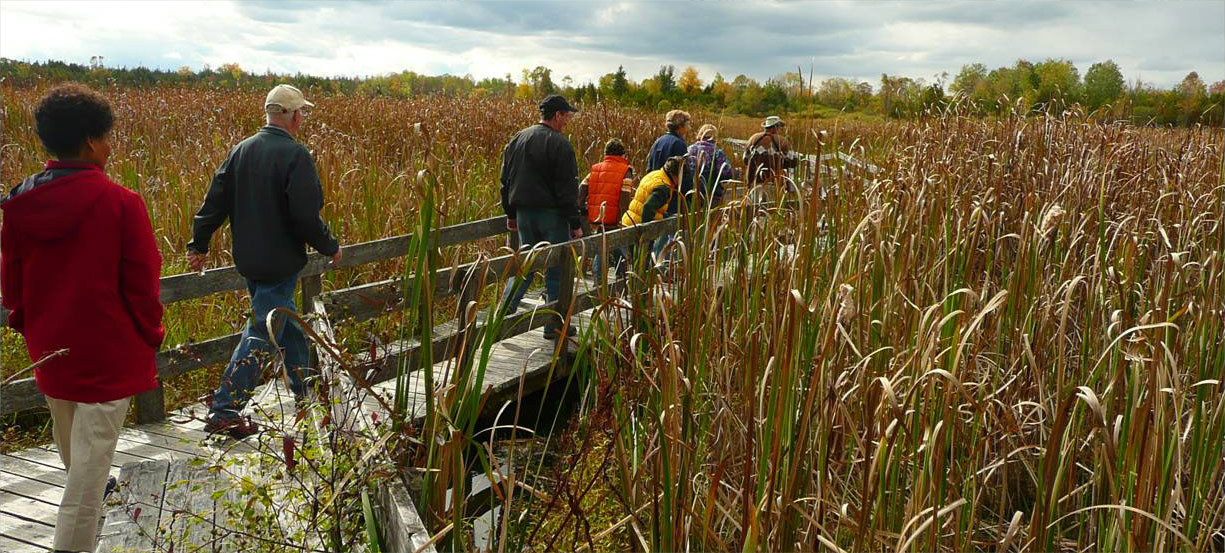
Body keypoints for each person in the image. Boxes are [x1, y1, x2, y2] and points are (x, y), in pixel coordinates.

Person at [1, 83, 164, 553]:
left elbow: (11, 282)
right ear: (91, 141)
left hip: (52, 350)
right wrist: (150, 334)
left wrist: (32, 326)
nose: (111, 146)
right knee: (87, 484)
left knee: (78, 459)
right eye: (108, 137)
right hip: (107, 355)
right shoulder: (121, 203)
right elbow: (141, 285)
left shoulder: (20, 202)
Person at [187, 84, 342, 439]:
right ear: (290, 115)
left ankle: (306, 390)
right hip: (279, 261)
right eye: (301, 112)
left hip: (250, 261)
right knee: (263, 329)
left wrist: (199, 244)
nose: (302, 117)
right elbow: (305, 216)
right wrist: (329, 245)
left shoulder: (241, 150)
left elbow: (215, 202)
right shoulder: (295, 155)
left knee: (284, 322)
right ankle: (225, 409)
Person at [499, 94, 583, 339]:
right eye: (566, 116)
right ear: (557, 116)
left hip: (524, 214)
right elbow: (567, 189)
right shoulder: (560, 144)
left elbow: (505, 181)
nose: (567, 121)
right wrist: (575, 223)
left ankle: (502, 316)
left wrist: (511, 213)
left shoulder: (518, 139)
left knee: (525, 264)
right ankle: (554, 326)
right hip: (552, 215)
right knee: (555, 268)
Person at [579, 138, 634, 282]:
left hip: (597, 217)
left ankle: (600, 283)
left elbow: (582, 188)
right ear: (623, 154)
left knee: (602, 247)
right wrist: (623, 217)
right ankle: (618, 281)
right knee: (615, 248)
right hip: (615, 218)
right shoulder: (625, 171)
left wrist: (583, 208)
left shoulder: (595, 168)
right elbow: (625, 197)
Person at [645, 110, 692, 258]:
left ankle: (656, 263)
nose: (689, 127)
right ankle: (663, 265)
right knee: (668, 233)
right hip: (671, 196)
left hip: (655, 192)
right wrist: (688, 197)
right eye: (687, 124)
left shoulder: (659, 141)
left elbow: (648, 168)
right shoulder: (679, 145)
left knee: (660, 232)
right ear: (680, 126)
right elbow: (682, 174)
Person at [621, 155, 685, 229]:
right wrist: (645, 233)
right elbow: (647, 208)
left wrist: (664, 215)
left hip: (627, 221)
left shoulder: (655, 174)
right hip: (635, 228)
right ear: (675, 175)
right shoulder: (664, 187)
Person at [686, 124, 739, 209]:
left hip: (691, 194)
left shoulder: (689, 149)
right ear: (714, 136)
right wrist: (737, 172)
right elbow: (725, 173)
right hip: (712, 195)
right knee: (711, 220)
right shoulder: (717, 152)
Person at [744, 115, 799, 188]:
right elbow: (793, 161)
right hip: (775, 182)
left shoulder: (753, 138)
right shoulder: (782, 141)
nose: (780, 130)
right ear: (775, 127)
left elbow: (745, 159)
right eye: (779, 127)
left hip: (754, 181)